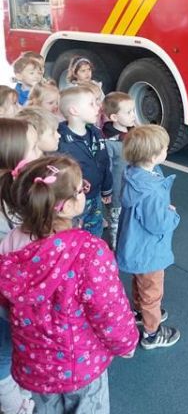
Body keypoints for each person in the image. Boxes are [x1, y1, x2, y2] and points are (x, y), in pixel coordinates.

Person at [0, 155, 139, 413]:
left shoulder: (11, 242)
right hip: (81, 364)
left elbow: (7, 303)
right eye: (81, 189)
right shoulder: (89, 251)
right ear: (65, 206)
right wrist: (126, 343)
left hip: (35, 362)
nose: (85, 190)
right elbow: (108, 309)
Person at [116, 125, 180, 349]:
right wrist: (172, 215)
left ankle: (139, 311)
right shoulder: (151, 190)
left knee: (140, 281)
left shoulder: (133, 174)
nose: (166, 150)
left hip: (134, 247)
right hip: (149, 251)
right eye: (164, 148)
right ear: (153, 157)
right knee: (152, 292)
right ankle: (152, 334)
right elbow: (158, 225)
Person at [0, 118, 42, 414]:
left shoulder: (15, 194)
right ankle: (13, 405)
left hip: (13, 301)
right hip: (7, 303)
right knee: (3, 355)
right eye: (35, 147)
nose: (41, 153)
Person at [57, 86, 112, 236]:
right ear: (74, 110)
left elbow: (104, 161)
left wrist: (107, 188)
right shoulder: (61, 140)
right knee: (72, 233)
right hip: (73, 200)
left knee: (95, 228)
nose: (98, 106)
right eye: (91, 104)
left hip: (95, 196)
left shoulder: (96, 133)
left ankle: (93, 249)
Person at [102, 92, 136, 250]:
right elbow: (106, 168)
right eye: (128, 112)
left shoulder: (133, 134)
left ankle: (128, 241)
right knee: (115, 220)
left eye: (133, 110)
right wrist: (106, 191)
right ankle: (116, 248)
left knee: (130, 216)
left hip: (132, 186)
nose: (133, 115)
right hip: (117, 190)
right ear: (114, 117)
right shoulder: (109, 142)